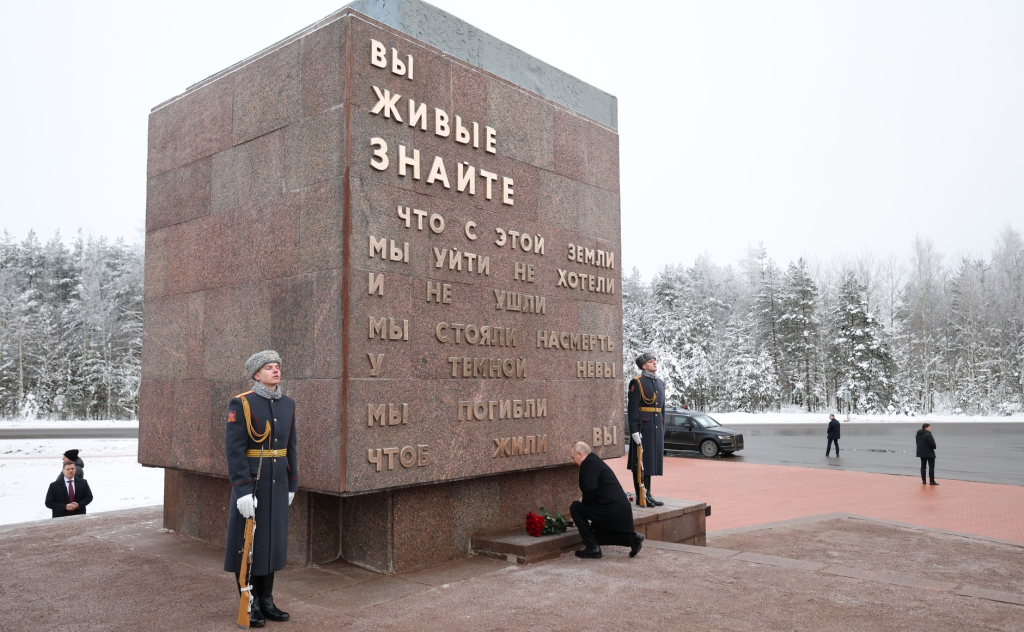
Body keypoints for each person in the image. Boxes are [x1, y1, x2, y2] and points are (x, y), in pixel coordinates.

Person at [224, 351, 298, 627]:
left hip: (277, 484)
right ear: (256, 375)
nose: (275, 370)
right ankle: (250, 600)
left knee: (270, 542)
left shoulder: (288, 404)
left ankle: (266, 600)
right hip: (252, 484)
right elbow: (234, 451)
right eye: (268, 367)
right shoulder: (241, 403)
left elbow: (291, 447)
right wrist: (242, 490)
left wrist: (292, 484)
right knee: (247, 544)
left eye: (277, 366)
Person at [569, 442, 644, 559]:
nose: (573, 461)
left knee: (575, 508)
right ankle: (632, 539)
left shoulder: (588, 463)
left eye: (573, 457)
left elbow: (589, 490)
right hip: (619, 509)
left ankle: (592, 548)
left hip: (610, 509)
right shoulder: (595, 461)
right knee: (596, 536)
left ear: (580, 453)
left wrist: (584, 507)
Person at [626, 352, 665, 506]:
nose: (654, 363)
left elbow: (662, 409)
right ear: (643, 366)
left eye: (655, 360)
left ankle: (648, 493)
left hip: (655, 428)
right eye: (651, 361)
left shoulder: (660, 383)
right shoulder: (637, 382)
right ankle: (640, 495)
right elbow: (633, 408)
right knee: (639, 462)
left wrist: (662, 427)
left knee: (650, 462)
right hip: (643, 428)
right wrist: (634, 429)